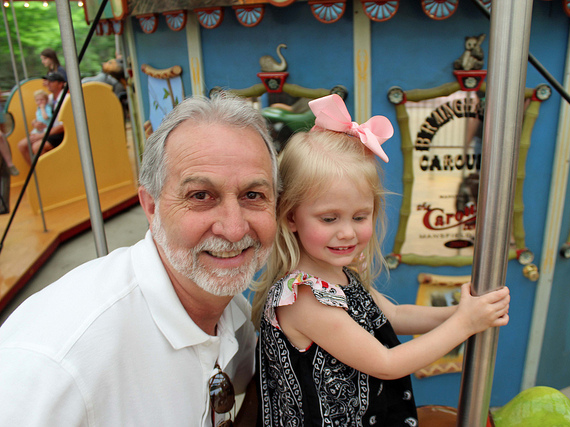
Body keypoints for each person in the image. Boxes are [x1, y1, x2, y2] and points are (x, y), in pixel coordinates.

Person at [0, 93, 278, 425]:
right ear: (150, 207)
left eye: (253, 195)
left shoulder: (233, 314)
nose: (234, 229)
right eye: (201, 196)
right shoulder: (59, 361)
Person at [251, 94, 511, 426]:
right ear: (290, 217)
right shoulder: (303, 297)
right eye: (329, 219)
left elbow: (395, 316)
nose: (347, 232)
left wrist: (461, 311)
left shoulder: (339, 274)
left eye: (360, 216)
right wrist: (465, 324)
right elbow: (387, 362)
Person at [17, 72, 66, 164]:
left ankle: (50, 173)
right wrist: (35, 122)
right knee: (22, 145)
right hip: (47, 130)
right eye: (48, 81)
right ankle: (36, 172)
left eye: (51, 81)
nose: (48, 83)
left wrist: (42, 135)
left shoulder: (66, 99)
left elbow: (62, 126)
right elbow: (40, 113)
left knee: (37, 147)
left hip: (60, 133)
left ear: (60, 84)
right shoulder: (48, 98)